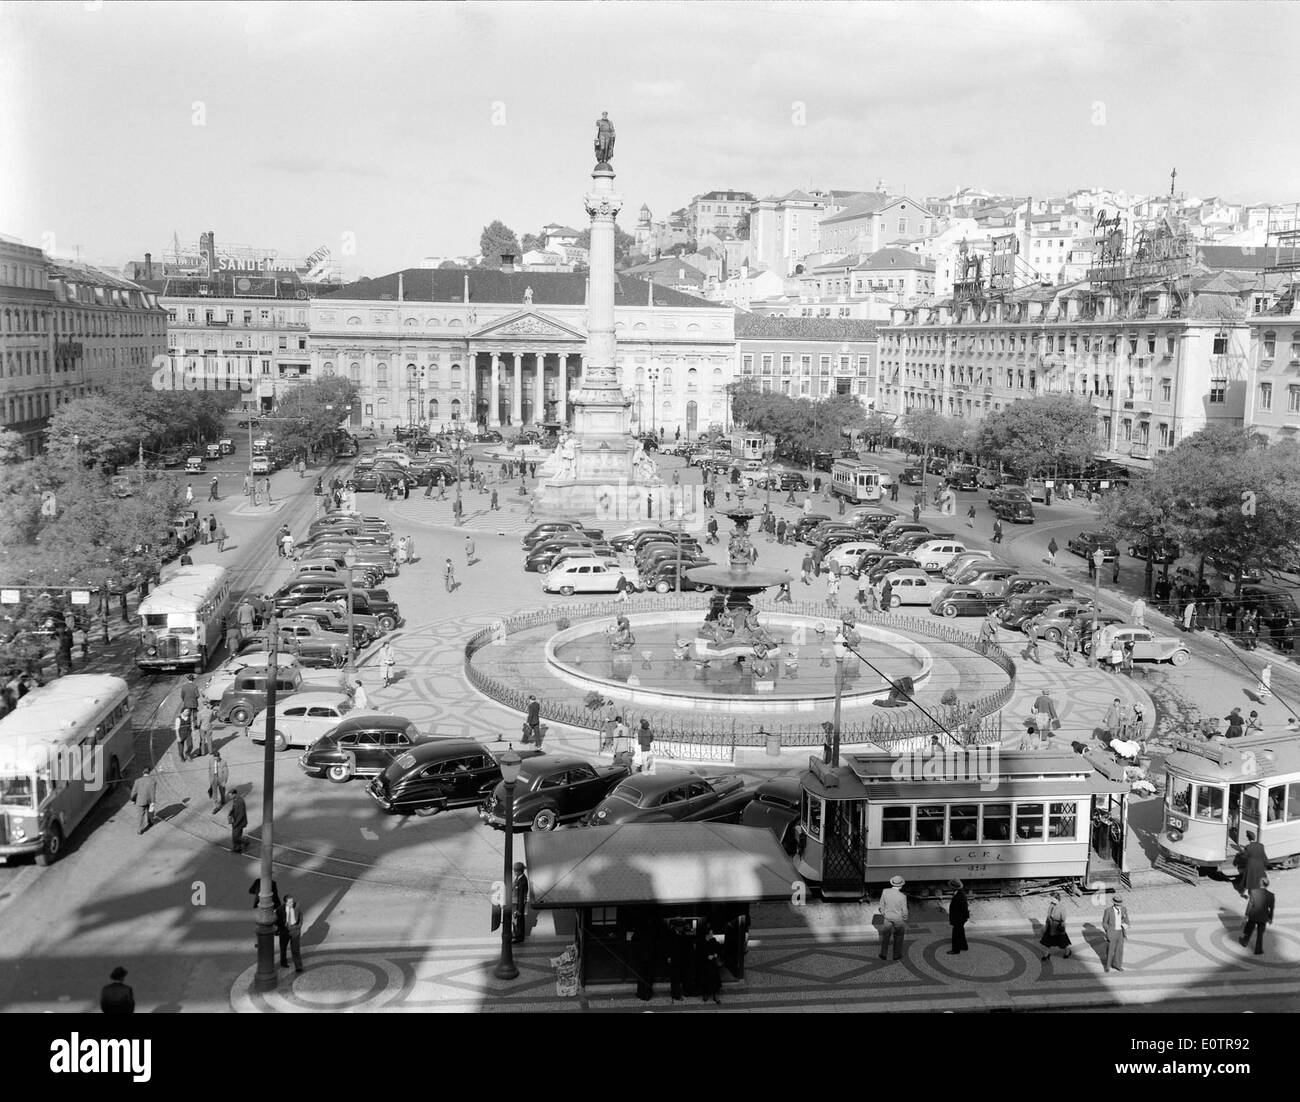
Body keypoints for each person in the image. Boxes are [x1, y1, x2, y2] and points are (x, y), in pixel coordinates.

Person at [1239, 875, 1275, 956]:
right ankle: (1258, 950)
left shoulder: (1254, 892)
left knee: (1249, 929)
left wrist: (1246, 915)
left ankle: (1244, 941)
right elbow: (1271, 908)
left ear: (1261, 883)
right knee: (1260, 934)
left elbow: (1250, 904)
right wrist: (1270, 918)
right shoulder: (1271, 895)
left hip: (1253, 915)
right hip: (1263, 917)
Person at [877, 875, 908, 961]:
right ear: (901, 885)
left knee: (886, 936)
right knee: (899, 936)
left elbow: (881, 905)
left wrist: (883, 913)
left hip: (887, 917)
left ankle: (883, 954)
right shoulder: (902, 896)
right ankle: (896, 955)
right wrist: (905, 918)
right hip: (898, 919)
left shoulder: (885, 891)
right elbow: (904, 910)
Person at [1039, 891, 1073, 960]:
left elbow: (1063, 919)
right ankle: (1047, 954)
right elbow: (1048, 915)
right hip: (1050, 926)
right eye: (1051, 898)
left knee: (1062, 942)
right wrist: (1046, 924)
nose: (1051, 900)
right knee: (1048, 941)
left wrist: (1061, 927)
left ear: (1057, 899)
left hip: (1057, 927)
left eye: (1052, 899)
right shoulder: (1051, 905)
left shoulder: (1061, 907)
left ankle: (1067, 951)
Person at [1101, 893, 1130, 972]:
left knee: (1119, 950)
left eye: (1120, 904)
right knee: (1110, 950)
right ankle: (1107, 966)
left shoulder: (1124, 909)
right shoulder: (1108, 911)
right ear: (1114, 904)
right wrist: (1108, 932)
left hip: (1120, 932)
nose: (1119, 906)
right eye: (1118, 905)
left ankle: (1117, 965)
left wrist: (1125, 925)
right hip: (1112, 932)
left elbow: (1127, 920)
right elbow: (1104, 923)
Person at [280, 893, 305, 971]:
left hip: (295, 930)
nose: (292, 903)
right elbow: (278, 921)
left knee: (295, 950)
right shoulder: (280, 910)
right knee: (283, 948)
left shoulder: (297, 906)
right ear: (285, 903)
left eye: (292, 901)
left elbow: (301, 916)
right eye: (290, 902)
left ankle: (298, 967)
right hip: (285, 931)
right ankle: (283, 962)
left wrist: (299, 926)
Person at [130, 768, 157, 834]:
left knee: (140, 816)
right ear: (149, 772)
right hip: (149, 800)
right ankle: (150, 822)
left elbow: (134, 792)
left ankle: (140, 830)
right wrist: (153, 802)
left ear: (143, 772)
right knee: (150, 813)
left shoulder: (137, 781)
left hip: (140, 801)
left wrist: (133, 800)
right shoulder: (153, 781)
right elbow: (153, 793)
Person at [946, 879, 969, 955]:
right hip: (961, 917)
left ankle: (955, 950)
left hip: (959, 918)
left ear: (954, 887)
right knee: (961, 931)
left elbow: (964, 908)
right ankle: (964, 946)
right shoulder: (959, 893)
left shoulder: (960, 895)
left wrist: (962, 918)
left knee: (956, 933)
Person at [511, 862, 529, 943]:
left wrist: (518, 909)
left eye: (515, 871)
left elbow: (521, 897)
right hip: (516, 903)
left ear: (519, 871)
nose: (514, 873)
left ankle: (519, 937)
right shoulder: (519, 878)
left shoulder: (522, 881)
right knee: (517, 920)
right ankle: (516, 934)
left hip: (519, 904)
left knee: (519, 921)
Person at [228, 788, 248, 854]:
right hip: (236, 821)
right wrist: (230, 813)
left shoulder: (240, 801)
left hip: (239, 822)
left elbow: (242, 814)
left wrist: (236, 823)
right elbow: (234, 809)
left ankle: (244, 842)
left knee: (235, 836)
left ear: (234, 794)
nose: (229, 797)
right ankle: (237, 848)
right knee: (236, 835)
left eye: (230, 795)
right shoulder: (235, 800)